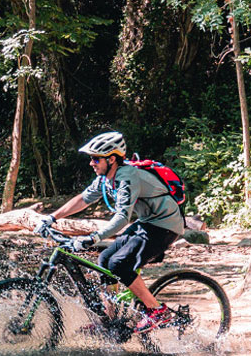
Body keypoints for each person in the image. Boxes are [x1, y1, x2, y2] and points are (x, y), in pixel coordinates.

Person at [38, 131, 185, 333]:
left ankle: (157, 310)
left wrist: (93, 237)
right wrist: (52, 217)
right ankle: (110, 319)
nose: (91, 163)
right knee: (105, 259)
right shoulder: (106, 178)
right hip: (147, 222)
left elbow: (123, 217)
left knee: (119, 264)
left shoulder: (127, 177)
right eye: (91, 158)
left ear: (112, 159)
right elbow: (83, 199)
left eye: (96, 159)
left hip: (165, 226)